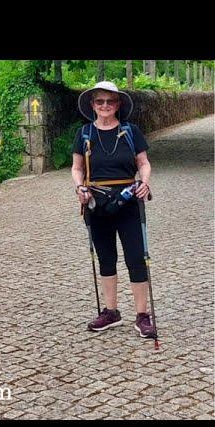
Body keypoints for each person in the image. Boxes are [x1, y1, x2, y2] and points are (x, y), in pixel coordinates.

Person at [71, 81, 156, 339]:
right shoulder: (84, 134)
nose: (105, 106)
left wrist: (144, 182)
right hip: (97, 204)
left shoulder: (131, 131)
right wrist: (79, 188)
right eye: (100, 102)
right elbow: (77, 169)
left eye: (110, 101)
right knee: (106, 259)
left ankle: (142, 316)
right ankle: (111, 311)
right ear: (93, 105)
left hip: (128, 202)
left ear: (118, 105)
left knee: (136, 259)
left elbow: (144, 163)